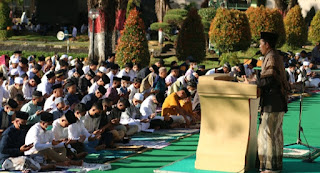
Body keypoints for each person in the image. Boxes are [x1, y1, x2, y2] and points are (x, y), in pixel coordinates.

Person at [255, 32, 289, 173]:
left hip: (273, 102)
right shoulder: (273, 56)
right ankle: (271, 165)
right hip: (275, 101)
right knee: (273, 134)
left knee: (269, 135)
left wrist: (253, 82)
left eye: (261, 44)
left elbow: (268, 80)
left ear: (267, 44)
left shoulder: (272, 57)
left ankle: (271, 168)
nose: (259, 46)